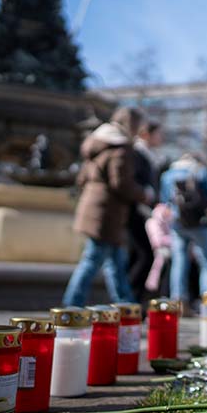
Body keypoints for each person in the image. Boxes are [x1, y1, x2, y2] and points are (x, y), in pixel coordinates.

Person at [62, 107, 151, 306]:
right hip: (106, 212)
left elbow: (82, 178)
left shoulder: (97, 142)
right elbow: (120, 183)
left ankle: (125, 306)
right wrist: (144, 194)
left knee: (116, 263)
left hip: (95, 207)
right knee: (93, 261)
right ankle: (71, 307)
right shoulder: (120, 146)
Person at [160, 152, 207, 306]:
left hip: (178, 222)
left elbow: (164, 201)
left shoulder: (167, 176)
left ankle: (178, 300)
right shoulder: (200, 171)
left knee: (179, 260)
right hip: (199, 222)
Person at [126, 120, 163, 302]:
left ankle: (130, 301)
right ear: (146, 134)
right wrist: (146, 194)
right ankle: (130, 300)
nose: (161, 138)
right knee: (144, 255)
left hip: (141, 211)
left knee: (137, 256)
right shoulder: (137, 154)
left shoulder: (147, 155)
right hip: (135, 211)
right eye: (158, 133)